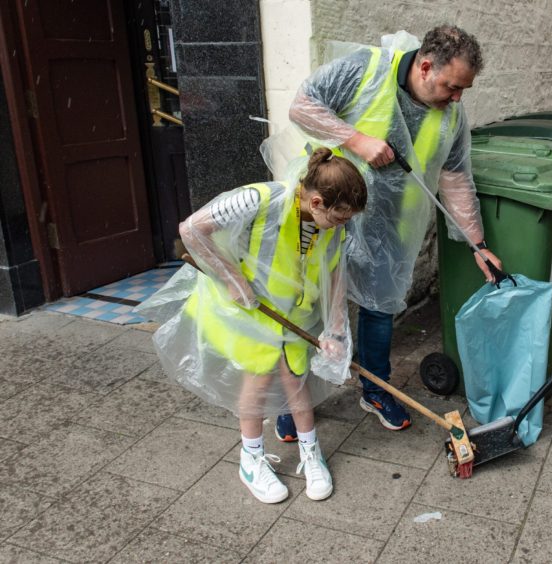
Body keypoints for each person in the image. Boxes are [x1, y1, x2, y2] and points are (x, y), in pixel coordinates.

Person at [273, 25, 502, 438]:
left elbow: (456, 178)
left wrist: (477, 245)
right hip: (327, 213)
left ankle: (375, 388)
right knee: (310, 306)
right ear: (426, 66)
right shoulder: (366, 69)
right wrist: (356, 139)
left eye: (463, 89)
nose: (457, 97)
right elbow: (302, 107)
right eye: (452, 86)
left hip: (391, 225)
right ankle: (295, 397)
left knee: (379, 309)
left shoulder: (452, 114)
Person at [138, 148, 368, 504]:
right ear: (318, 202)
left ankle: (311, 453)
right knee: (258, 378)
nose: (343, 225)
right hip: (249, 309)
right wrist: (231, 279)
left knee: (296, 376)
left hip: (294, 315)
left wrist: (336, 330)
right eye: (339, 218)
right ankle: (251, 459)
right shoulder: (259, 200)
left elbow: (336, 273)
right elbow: (192, 229)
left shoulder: (331, 226)